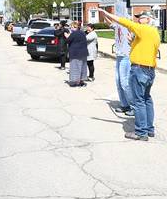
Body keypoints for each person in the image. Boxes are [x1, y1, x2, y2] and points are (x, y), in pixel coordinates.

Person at [100, 9, 161, 141]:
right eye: (138, 17)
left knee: (139, 101)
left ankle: (141, 132)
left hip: (139, 69)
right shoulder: (154, 33)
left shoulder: (144, 29)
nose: (138, 19)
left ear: (149, 20)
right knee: (146, 99)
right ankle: (149, 129)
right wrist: (131, 42)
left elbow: (124, 22)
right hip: (150, 70)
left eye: (141, 17)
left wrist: (107, 14)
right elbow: (144, 48)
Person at [111, 15, 134, 116]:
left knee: (125, 82)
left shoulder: (131, 29)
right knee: (118, 81)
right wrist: (104, 14)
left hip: (126, 57)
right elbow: (111, 24)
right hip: (119, 56)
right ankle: (124, 104)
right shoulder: (118, 27)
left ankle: (133, 106)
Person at [65, 21, 88, 87]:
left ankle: (77, 82)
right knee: (83, 67)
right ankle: (82, 81)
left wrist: (67, 36)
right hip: (83, 53)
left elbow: (68, 41)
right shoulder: (83, 33)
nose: (70, 28)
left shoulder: (73, 33)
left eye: (71, 27)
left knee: (75, 67)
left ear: (75, 27)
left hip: (75, 53)